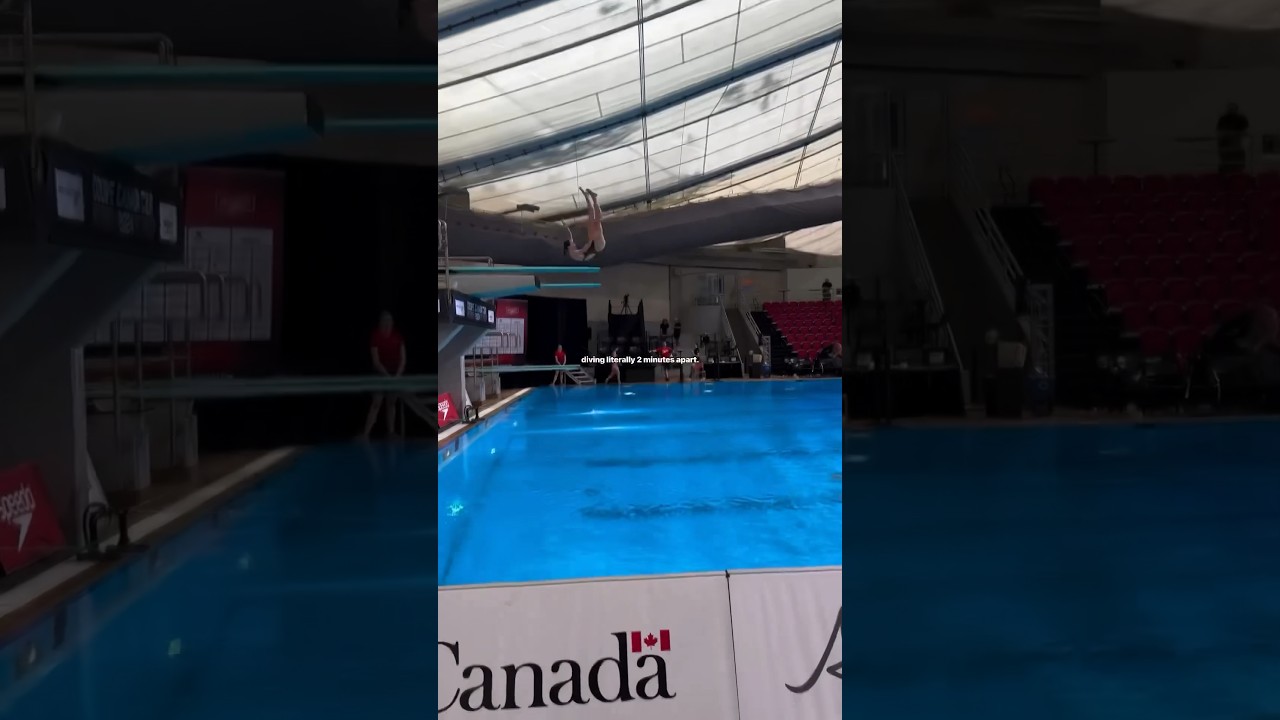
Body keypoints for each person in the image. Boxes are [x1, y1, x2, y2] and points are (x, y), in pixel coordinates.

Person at [364, 311, 405, 437]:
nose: (388, 323)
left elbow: (403, 359)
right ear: (380, 323)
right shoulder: (376, 336)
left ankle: (391, 433)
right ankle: (366, 434)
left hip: (394, 374)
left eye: (390, 321)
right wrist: (388, 377)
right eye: (385, 321)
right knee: (376, 403)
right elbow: (376, 362)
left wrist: (397, 376)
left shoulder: (397, 336)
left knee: (391, 403)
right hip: (380, 374)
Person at [564, 187, 607, 261]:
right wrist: (567, 229)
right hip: (596, 246)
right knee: (595, 221)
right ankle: (591, 198)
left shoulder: (575, 253)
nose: (574, 244)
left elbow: (570, 239)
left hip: (595, 245)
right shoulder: (575, 253)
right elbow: (570, 238)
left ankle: (591, 197)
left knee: (594, 220)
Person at [1216, 102, 1250, 173]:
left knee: (1237, 165)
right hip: (1226, 145)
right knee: (1226, 164)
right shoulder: (1223, 119)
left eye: (1233, 109)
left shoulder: (1241, 119)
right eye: (1230, 109)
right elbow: (1220, 133)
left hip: (1236, 145)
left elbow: (1245, 132)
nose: (1231, 110)